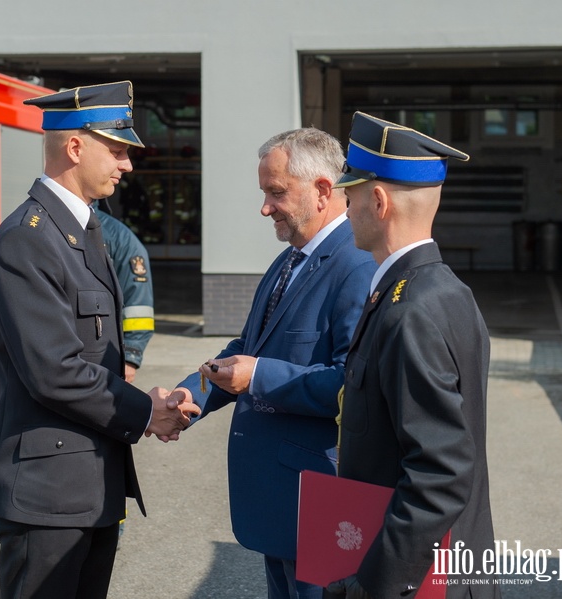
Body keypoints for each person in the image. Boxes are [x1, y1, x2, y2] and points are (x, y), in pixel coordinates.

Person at [0, 80, 196, 599]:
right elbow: (55, 371)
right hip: (48, 497)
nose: (127, 165)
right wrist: (147, 411)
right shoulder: (28, 239)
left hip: (88, 485)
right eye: (117, 150)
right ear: (75, 147)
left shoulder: (83, 230)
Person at [172, 128, 376, 599]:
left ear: (324, 190)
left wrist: (260, 377)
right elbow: (249, 345)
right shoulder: (290, 260)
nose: (265, 207)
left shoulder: (357, 265)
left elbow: (355, 385)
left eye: (276, 192)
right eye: (265, 192)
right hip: (281, 500)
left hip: (319, 500)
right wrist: (192, 395)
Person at [328, 112, 498, 598]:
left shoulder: (410, 309)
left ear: (378, 201)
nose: (345, 209)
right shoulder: (440, 290)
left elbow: (440, 473)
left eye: (351, 195)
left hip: (417, 580)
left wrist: (374, 582)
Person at [95, 200, 155, 383]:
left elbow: (138, 304)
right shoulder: (43, 224)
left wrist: (130, 354)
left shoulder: (117, 236)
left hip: (103, 356)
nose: (124, 168)